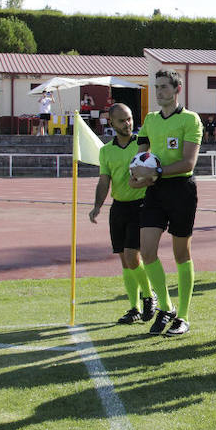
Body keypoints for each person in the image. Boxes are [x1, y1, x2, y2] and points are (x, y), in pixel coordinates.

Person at [129, 69, 202, 336]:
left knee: (181, 253)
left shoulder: (190, 119)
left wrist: (155, 172)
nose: (159, 92)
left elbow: (188, 162)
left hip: (182, 188)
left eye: (164, 87)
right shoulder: (149, 120)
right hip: (154, 190)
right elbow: (139, 156)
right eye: (156, 87)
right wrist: (135, 175)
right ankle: (167, 307)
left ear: (177, 89)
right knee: (147, 251)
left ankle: (182, 316)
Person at [90, 103, 158, 324]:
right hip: (118, 207)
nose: (127, 123)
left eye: (129, 119)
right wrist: (97, 206)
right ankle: (134, 307)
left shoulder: (143, 146)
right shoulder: (106, 151)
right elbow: (104, 180)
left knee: (132, 255)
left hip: (140, 206)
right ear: (111, 123)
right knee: (124, 260)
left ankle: (149, 296)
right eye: (122, 120)